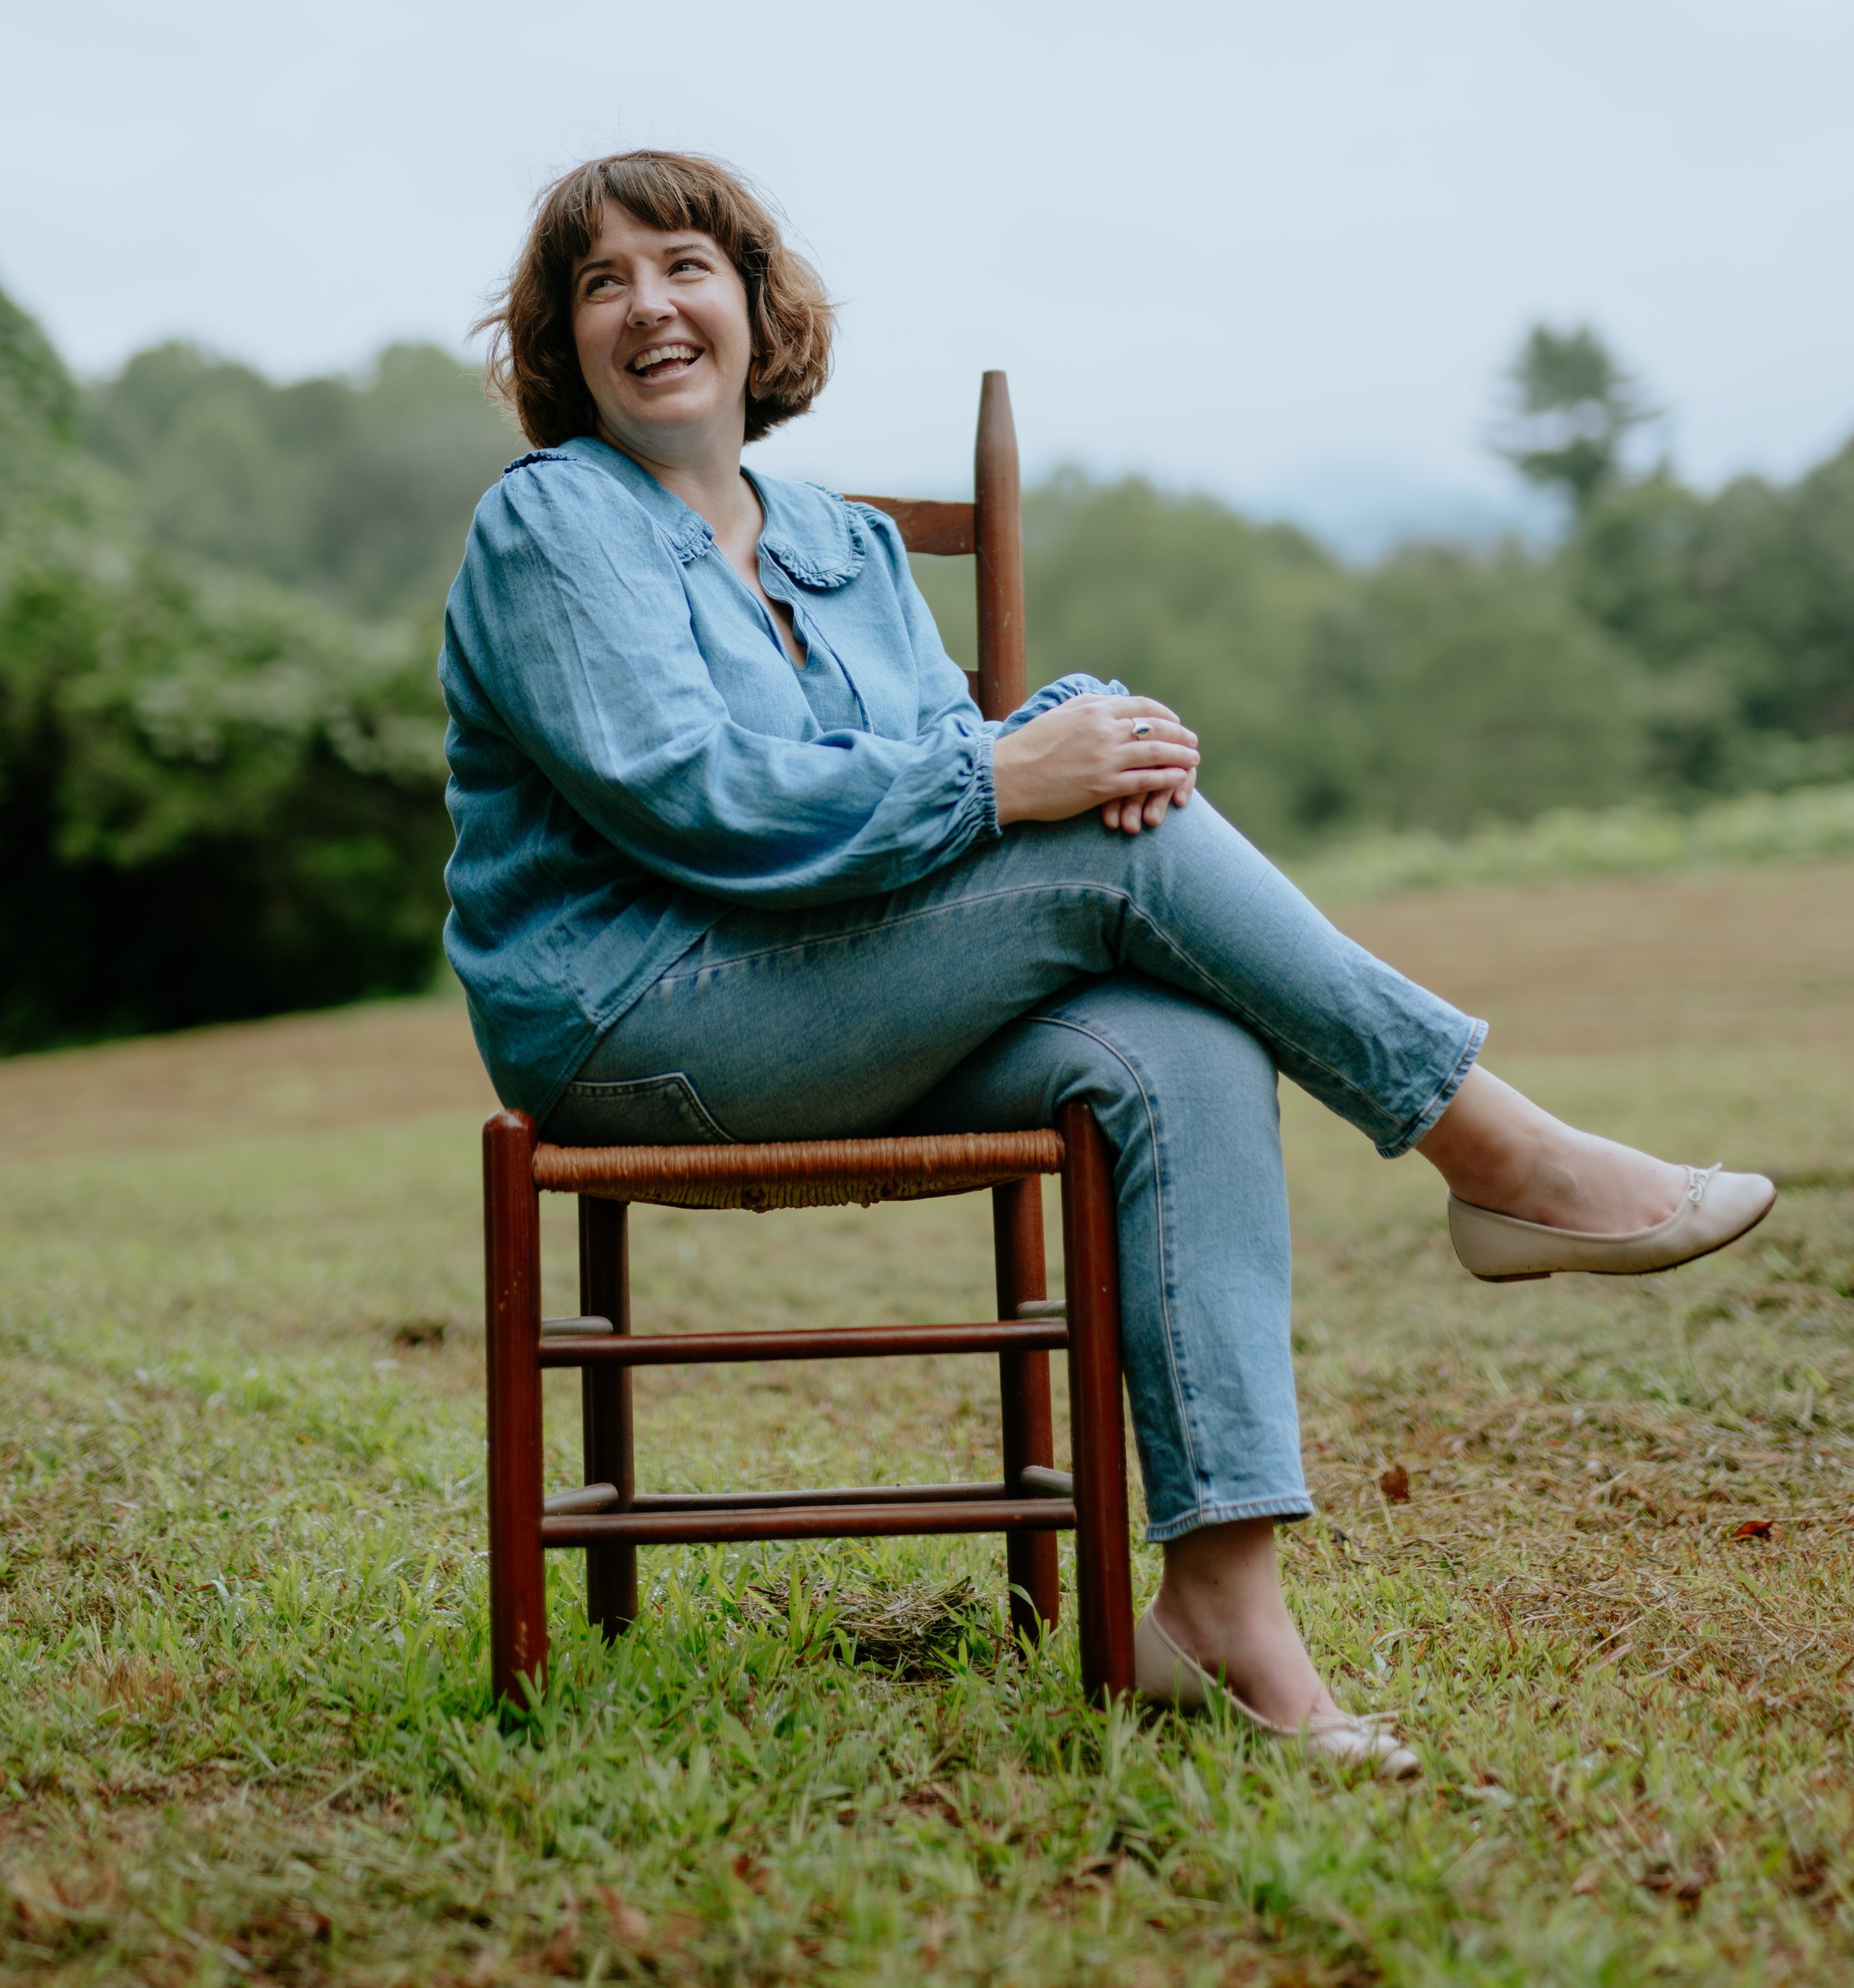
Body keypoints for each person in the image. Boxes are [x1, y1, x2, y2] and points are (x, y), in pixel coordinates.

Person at [441, 149, 1774, 1778]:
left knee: (1180, 1041)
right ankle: (1495, 1148)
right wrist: (1025, 775)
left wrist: (1092, 739)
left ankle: (1218, 1609)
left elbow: (933, 785)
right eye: (601, 282)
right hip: (639, 1021)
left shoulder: (847, 549)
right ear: (560, 340)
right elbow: (698, 805)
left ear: (751, 300)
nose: (649, 304)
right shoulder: (548, 523)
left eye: (683, 264)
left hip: (846, 1000)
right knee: (1090, 835)